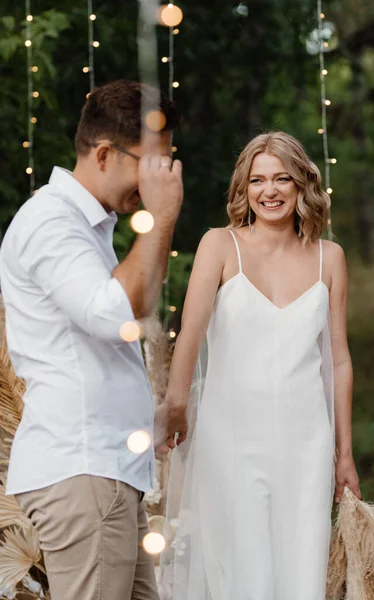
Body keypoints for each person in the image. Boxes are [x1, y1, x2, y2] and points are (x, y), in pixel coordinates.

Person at [0, 79, 183, 600]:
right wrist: (163, 215)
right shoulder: (52, 224)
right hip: (83, 475)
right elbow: (115, 314)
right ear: (105, 153)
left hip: (105, 472)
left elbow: (91, 355)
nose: (161, 180)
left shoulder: (89, 229)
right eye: (153, 165)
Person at [160, 131, 362, 600]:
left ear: (302, 186)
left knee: (300, 575)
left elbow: (340, 358)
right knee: (242, 574)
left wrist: (344, 454)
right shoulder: (219, 245)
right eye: (257, 180)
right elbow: (189, 334)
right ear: (244, 189)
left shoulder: (329, 259)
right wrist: (175, 403)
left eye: (282, 179)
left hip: (306, 443)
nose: (269, 191)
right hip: (229, 438)